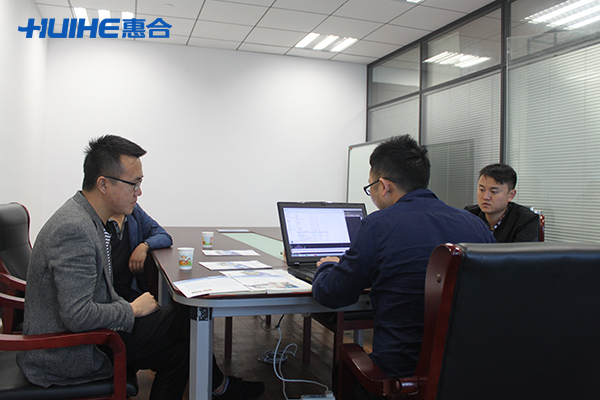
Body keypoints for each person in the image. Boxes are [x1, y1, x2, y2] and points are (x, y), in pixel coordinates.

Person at [17, 135, 264, 400]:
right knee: (187, 318)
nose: (139, 192)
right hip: (68, 353)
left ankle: (219, 387)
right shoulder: (74, 229)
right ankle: (221, 388)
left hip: (89, 337)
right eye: (134, 184)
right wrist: (133, 309)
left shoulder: (89, 218)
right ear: (103, 184)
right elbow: (77, 316)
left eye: (140, 183)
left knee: (181, 351)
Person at [311, 135, 495, 398]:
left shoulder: (378, 225)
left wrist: (327, 267)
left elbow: (332, 293)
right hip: (467, 375)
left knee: (345, 361)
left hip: (400, 378)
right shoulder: (476, 225)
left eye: (370, 188)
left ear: (384, 186)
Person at [107, 204, 172, 302]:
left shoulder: (133, 211)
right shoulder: (93, 220)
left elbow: (164, 236)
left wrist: (144, 246)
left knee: (173, 307)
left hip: (130, 292)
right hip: (107, 298)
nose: (137, 196)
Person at [464, 163, 540, 242]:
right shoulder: (469, 215)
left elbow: (522, 250)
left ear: (510, 195)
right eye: (482, 190)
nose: (485, 197)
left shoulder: (526, 220)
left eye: (494, 191)